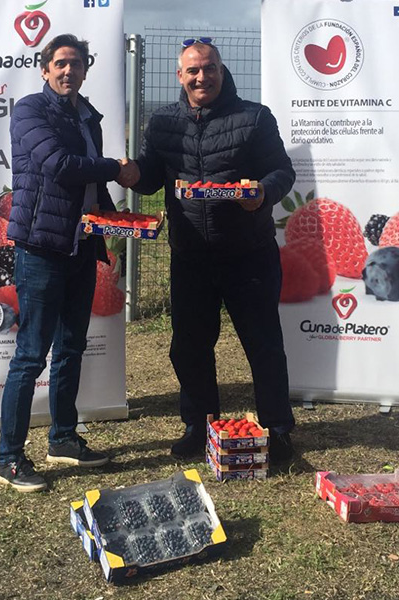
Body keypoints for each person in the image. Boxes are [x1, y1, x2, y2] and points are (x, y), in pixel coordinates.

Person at [125, 37, 297, 462]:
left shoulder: (254, 117)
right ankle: (198, 425)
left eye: (210, 68)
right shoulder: (162, 122)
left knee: (263, 344)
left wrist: (263, 191)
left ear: (222, 70)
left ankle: (277, 429)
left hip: (248, 253)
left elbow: (282, 171)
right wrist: (130, 172)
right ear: (180, 76)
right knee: (189, 346)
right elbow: (151, 177)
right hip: (191, 256)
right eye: (194, 70)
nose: (203, 76)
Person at [0, 34, 137, 492]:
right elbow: (60, 165)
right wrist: (117, 167)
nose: (67, 71)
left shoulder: (87, 116)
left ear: (84, 70)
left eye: (75, 64)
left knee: (72, 346)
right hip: (41, 248)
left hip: (80, 247)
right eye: (59, 63)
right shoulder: (29, 112)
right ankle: (10, 458)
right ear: (44, 69)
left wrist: (121, 220)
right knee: (31, 354)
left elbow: (90, 186)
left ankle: (62, 438)